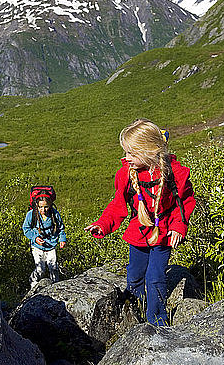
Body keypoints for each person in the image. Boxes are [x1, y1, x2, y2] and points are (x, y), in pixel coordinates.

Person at [85, 119, 195, 326]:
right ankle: (134, 310)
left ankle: (156, 322)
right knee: (135, 275)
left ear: (150, 151)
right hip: (139, 232)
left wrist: (179, 226)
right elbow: (117, 205)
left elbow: (184, 203)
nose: (126, 158)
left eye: (132, 153)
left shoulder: (175, 174)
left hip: (163, 234)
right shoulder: (126, 174)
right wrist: (103, 224)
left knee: (155, 278)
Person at [23, 195, 67, 288]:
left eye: (46, 206)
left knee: (54, 268)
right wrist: (35, 238)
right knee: (40, 269)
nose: (43, 209)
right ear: (37, 206)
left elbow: (61, 228)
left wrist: (62, 239)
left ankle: (55, 287)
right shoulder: (32, 214)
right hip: (37, 246)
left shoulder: (54, 214)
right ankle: (33, 282)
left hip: (51, 244)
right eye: (40, 207)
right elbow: (26, 229)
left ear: (50, 205)